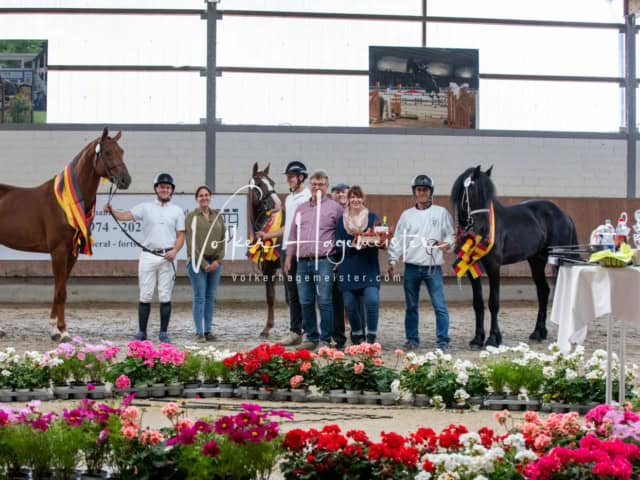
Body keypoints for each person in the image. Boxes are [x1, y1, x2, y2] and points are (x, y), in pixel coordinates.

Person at [104, 173, 185, 343]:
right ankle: (142, 331)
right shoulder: (145, 207)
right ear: (156, 189)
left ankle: (163, 332)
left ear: (172, 191)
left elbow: (180, 236)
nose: (165, 190)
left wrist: (175, 251)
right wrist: (112, 210)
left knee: (165, 295)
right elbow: (125, 216)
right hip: (148, 255)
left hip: (168, 257)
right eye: (162, 187)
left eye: (168, 187)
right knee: (145, 294)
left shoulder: (177, 211)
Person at [387, 174, 455, 352]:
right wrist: (393, 259)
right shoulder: (407, 215)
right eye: (419, 190)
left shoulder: (441, 213)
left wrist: (448, 243)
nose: (422, 192)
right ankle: (412, 339)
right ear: (414, 193)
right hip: (411, 267)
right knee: (411, 306)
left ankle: (443, 340)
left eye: (425, 189)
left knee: (439, 305)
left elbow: (451, 234)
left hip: (433, 267)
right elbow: (399, 239)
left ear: (430, 192)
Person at [284, 170, 342, 350]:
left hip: (324, 260)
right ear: (310, 186)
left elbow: (341, 235)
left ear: (326, 187)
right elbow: (294, 233)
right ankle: (311, 337)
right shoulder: (301, 208)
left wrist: (338, 260)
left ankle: (326, 338)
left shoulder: (335, 208)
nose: (317, 187)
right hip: (302, 261)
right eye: (314, 184)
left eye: (321, 184)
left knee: (324, 300)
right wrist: (288, 256)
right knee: (305, 301)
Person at [257, 160, 311, 346]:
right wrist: (267, 235)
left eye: (291, 177)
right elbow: (286, 228)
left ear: (301, 177)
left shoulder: (308, 197)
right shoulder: (289, 199)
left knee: (306, 293)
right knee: (292, 293)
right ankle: (295, 331)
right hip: (287, 249)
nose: (289, 180)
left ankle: (310, 331)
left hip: (301, 250)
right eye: (288, 177)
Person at [335, 186, 381, 345]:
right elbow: (338, 245)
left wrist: (379, 241)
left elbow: (379, 240)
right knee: (349, 304)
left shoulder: (373, 218)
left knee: (372, 301)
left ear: (363, 199)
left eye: (358, 197)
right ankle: (357, 334)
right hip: (347, 267)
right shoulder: (341, 221)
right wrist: (353, 245)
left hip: (369, 267)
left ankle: (371, 336)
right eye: (352, 197)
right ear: (347, 200)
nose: (355, 200)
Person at [185, 185, 225, 343]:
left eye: (206, 195)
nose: (204, 197)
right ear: (197, 199)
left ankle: (208, 330)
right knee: (199, 297)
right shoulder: (191, 217)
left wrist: (217, 261)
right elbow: (191, 243)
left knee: (210, 297)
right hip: (196, 263)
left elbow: (223, 240)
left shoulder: (218, 216)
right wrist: (203, 264)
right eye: (200, 195)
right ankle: (199, 332)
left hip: (215, 262)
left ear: (210, 197)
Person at [330, 182, 350, 349]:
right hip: (332, 255)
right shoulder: (329, 212)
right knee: (334, 296)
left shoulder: (357, 212)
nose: (340, 195)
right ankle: (337, 332)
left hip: (351, 258)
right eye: (337, 192)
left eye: (344, 192)